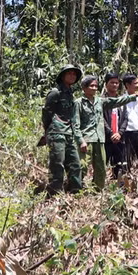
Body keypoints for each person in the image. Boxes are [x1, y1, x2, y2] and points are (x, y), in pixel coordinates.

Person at [76, 74, 138, 191]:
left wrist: (133, 96)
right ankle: (77, 190)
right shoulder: (78, 103)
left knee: (101, 168)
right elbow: (75, 125)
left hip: (100, 139)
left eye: (96, 86)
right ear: (84, 88)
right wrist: (81, 140)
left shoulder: (100, 101)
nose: (95, 88)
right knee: (82, 166)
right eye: (91, 86)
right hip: (87, 139)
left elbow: (117, 101)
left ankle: (97, 191)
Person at [41, 64, 84, 195]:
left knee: (75, 164)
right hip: (56, 132)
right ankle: (55, 194)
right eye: (69, 73)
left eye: (74, 74)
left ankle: (76, 193)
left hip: (69, 133)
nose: (72, 76)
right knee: (57, 164)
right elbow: (46, 113)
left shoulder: (71, 94)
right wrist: (49, 130)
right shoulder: (55, 93)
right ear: (62, 76)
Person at [102, 72, 128, 179]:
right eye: (112, 82)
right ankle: (98, 188)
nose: (114, 85)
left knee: (120, 165)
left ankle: (120, 187)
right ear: (106, 84)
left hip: (120, 138)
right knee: (102, 164)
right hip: (106, 138)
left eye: (116, 83)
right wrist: (111, 133)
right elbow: (101, 119)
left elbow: (126, 118)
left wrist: (119, 133)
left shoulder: (121, 100)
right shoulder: (101, 100)